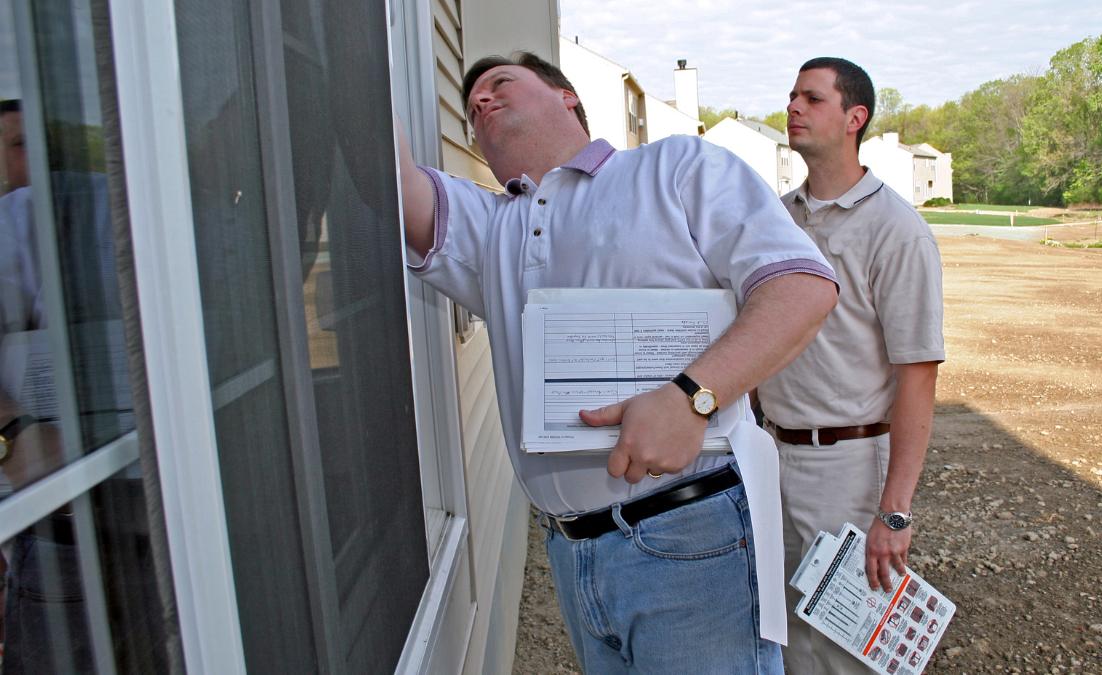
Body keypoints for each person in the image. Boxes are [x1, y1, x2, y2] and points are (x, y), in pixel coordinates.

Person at [397, 52, 838, 673]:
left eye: (500, 86)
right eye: (470, 108)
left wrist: (693, 396)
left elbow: (801, 288)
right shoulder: (494, 227)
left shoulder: (676, 166)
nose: (482, 104)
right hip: (571, 549)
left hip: (692, 533)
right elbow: (393, 178)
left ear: (567, 97)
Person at [755, 57, 944, 674]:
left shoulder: (897, 231)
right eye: (791, 96)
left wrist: (893, 512)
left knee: (843, 651)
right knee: (780, 636)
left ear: (854, 118)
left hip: (849, 465)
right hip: (769, 455)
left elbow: (918, 374)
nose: (794, 108)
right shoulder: (774, 219)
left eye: (812, 98)